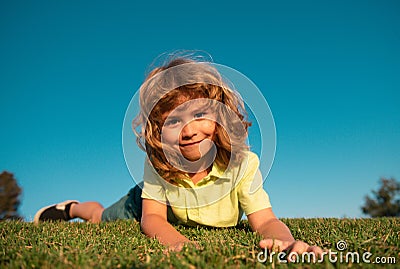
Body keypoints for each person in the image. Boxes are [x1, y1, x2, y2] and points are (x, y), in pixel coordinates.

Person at [34, 53, 323, 258]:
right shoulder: (159, 167)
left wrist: (283, 241)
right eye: (173, 121)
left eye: (199, 114)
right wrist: (178, 243)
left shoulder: (243, 165)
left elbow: (264, 220)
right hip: (144, 204)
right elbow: (153, 219)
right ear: (157, 131)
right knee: (102, 218)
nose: (188, 130)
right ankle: (74, 208)